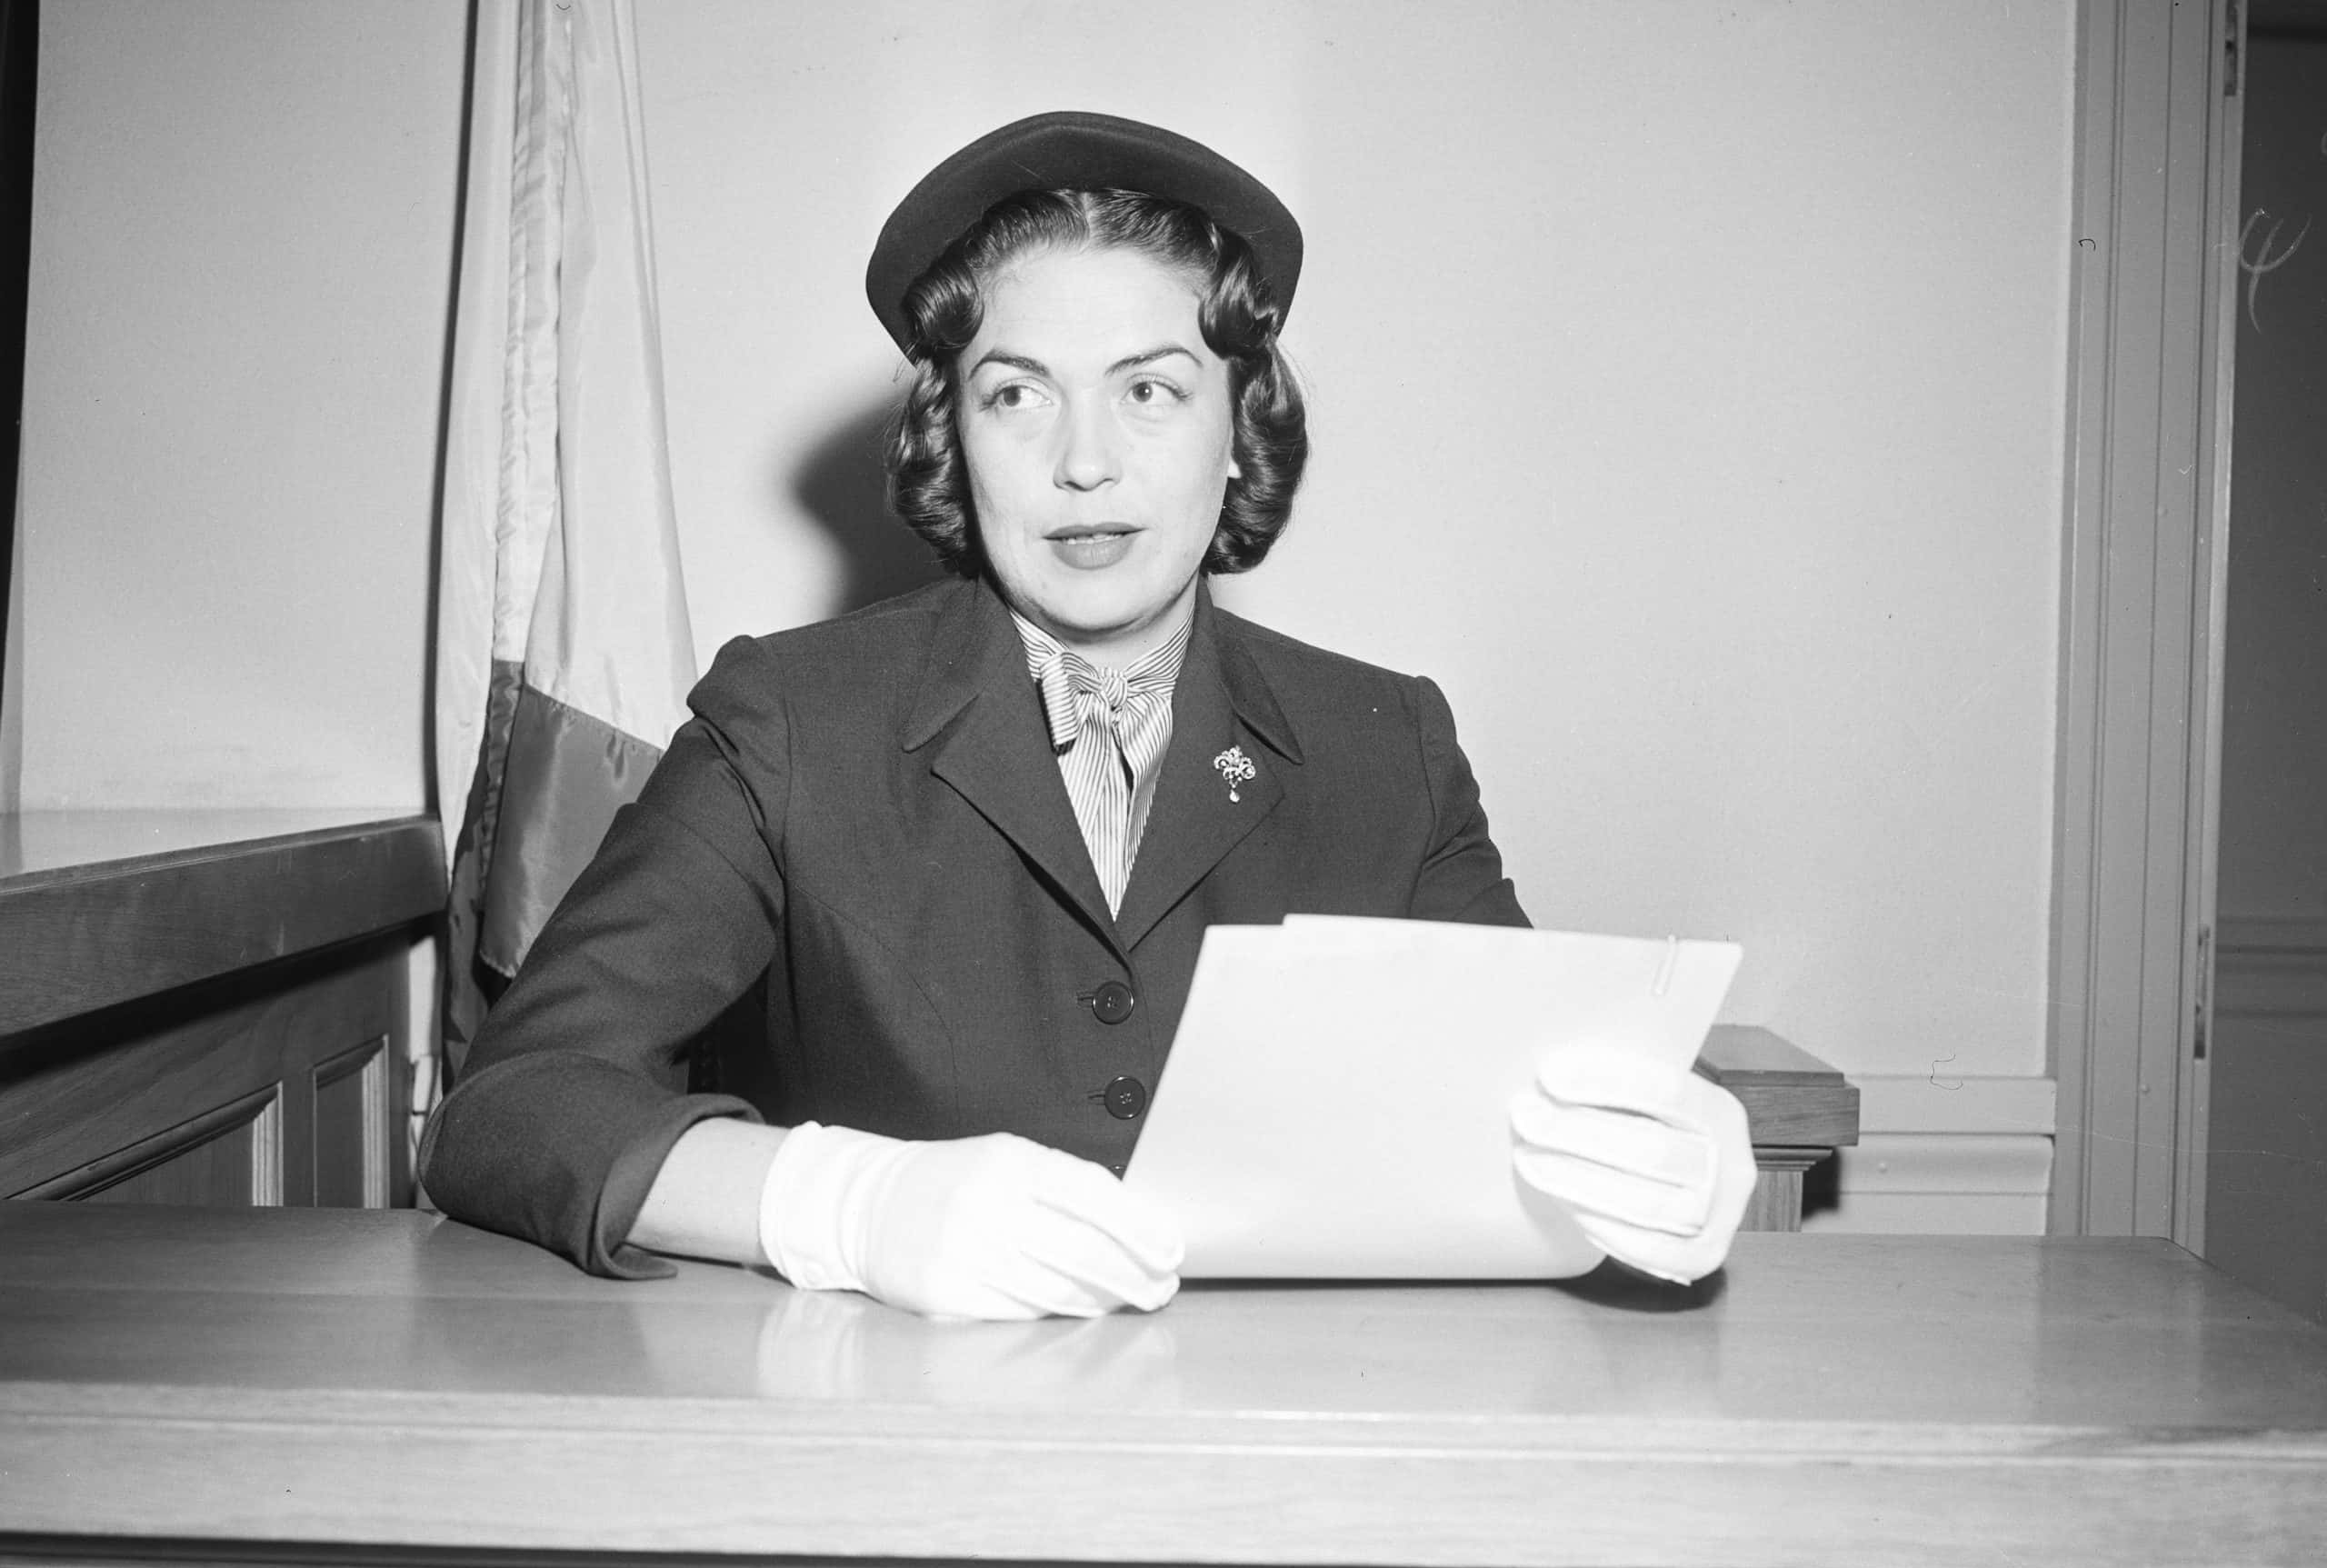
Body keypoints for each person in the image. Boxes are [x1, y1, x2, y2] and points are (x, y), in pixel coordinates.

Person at [420, 112, 1755, 1319]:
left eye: (1150, 388)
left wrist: (1667, 1151)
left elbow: (1535, 1103)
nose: (1083, 461)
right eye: (1017, 393)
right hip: (887, 1449)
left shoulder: (1387, 745)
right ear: (954, 430)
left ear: (1241, 428)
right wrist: (846, 1207)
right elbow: (513, 1106)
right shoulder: (790, 718)